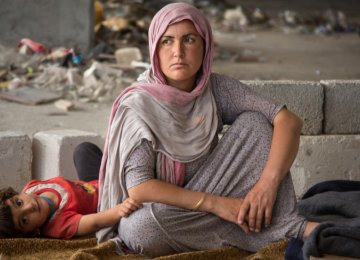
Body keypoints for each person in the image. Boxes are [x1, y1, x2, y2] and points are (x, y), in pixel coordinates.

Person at [74, 2, 318, 257]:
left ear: (206, 46)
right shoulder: (140, 105)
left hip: (211, 196)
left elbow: (288, 121)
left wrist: (266, 186)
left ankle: (244, 222)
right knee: (139, 229)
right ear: (154, 49)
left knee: (256, 124)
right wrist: (218, 205)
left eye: (188, 40)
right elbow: (140, 188)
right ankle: (259, 227)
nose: (177, 51)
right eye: (166, 41)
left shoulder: (215, 89)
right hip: (165, 212)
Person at [0, 148, 142, 239]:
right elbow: (95, 222)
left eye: (19, 202)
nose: (29, 208)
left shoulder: (32, 188)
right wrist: (118, 211)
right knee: (134, 178)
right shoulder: (58, 225)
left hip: (93, 183)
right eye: (24, 220)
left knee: (83, 150)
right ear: (31, 232)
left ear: (16, 194)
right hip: (111, 197)